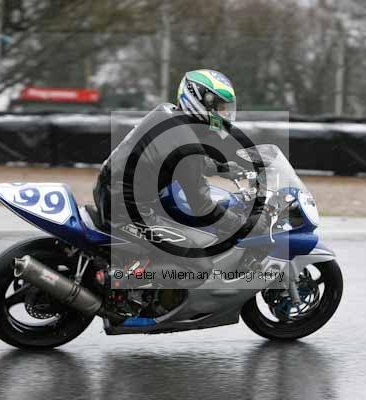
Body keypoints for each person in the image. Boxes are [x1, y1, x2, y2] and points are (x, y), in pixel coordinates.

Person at [93, 69, 268, 286]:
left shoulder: (168, 114)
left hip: (113, 191)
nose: (224, 114)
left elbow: (177, 161)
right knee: (198, 267)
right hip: (126, 210)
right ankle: (119, 279)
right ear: (201, 101)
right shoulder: (187, 141)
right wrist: (242, 224)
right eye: (220, 107)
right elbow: (202, 207)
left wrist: (223, 168)